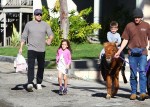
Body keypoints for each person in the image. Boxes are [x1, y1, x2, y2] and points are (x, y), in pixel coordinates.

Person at [114, 8, 150, 100]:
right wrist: (118, 52)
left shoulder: (146, 26)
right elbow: (125, 40)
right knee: (133, 74)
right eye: (135, 17)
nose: (136, 19)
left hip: (142, 53)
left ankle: (142, 92)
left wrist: (149, 47)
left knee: (142, 72)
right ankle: (133, 92)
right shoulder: (129, 26)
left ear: (141, 17)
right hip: (132, 54)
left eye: (138, 17)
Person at [19, 9, 54, 92]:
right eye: (37, 14)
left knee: (41, 67)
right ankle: (30, 83)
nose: (39, 16)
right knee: (30, 66)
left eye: (40, 14)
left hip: (42, 49)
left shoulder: (45, 25)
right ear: (34, 15)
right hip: (31, 48)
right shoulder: (29, 24)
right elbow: (24, 36)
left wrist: (50, 40)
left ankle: (38, 83)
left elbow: (51, 34)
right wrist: (21, 47)